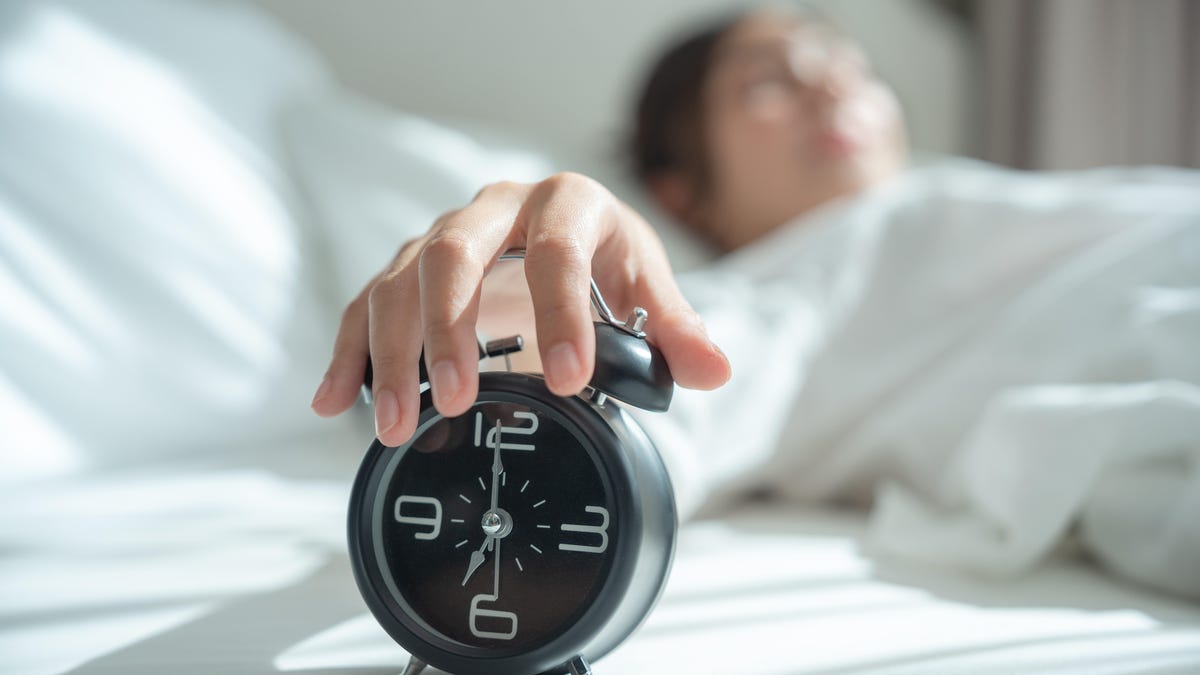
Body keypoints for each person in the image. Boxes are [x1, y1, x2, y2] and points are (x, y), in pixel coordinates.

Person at [310, 8, 1200, 598]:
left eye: (850, 64)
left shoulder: (974, 202)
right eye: (766, 81)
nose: (831, 85)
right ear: (682, 191)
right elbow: (659, 413)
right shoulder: (787, 288)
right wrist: (523, 339)